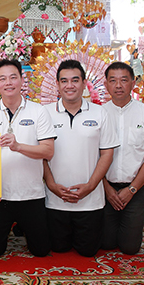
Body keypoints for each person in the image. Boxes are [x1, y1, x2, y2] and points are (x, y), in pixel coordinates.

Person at [0, 59, 55, 258]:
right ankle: (16, 229)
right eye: (2, 79)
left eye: (13, 77)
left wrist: (18, 146)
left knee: (41, 251)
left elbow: (48, 152)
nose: (8, 83)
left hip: (31, 194)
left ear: (21, 80)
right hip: (0, 195)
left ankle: (22, 228)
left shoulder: (38, 111)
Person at [44, 59, 118, 257]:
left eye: (75, 80)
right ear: (57, 85)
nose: (70, 86)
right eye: (64, 81)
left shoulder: (100, 113)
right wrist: (51, 185)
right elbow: (41, 155)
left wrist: (91, 186)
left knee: (88, 251)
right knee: (58, 249)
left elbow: (107, 154)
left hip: (90, 199)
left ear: (84, 83)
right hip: (55, 198)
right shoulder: (45, 114)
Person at [102, 62, 144, 255]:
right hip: (104, 187)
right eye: (113, 80)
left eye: (123, 80)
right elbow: (91, 157)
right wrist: (107, 189)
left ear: (133, 83)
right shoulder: (98, 114)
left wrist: (131, 190)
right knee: (106, 243)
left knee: (129, 248)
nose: (118, 85)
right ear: (106, 85)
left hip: (136, 187)